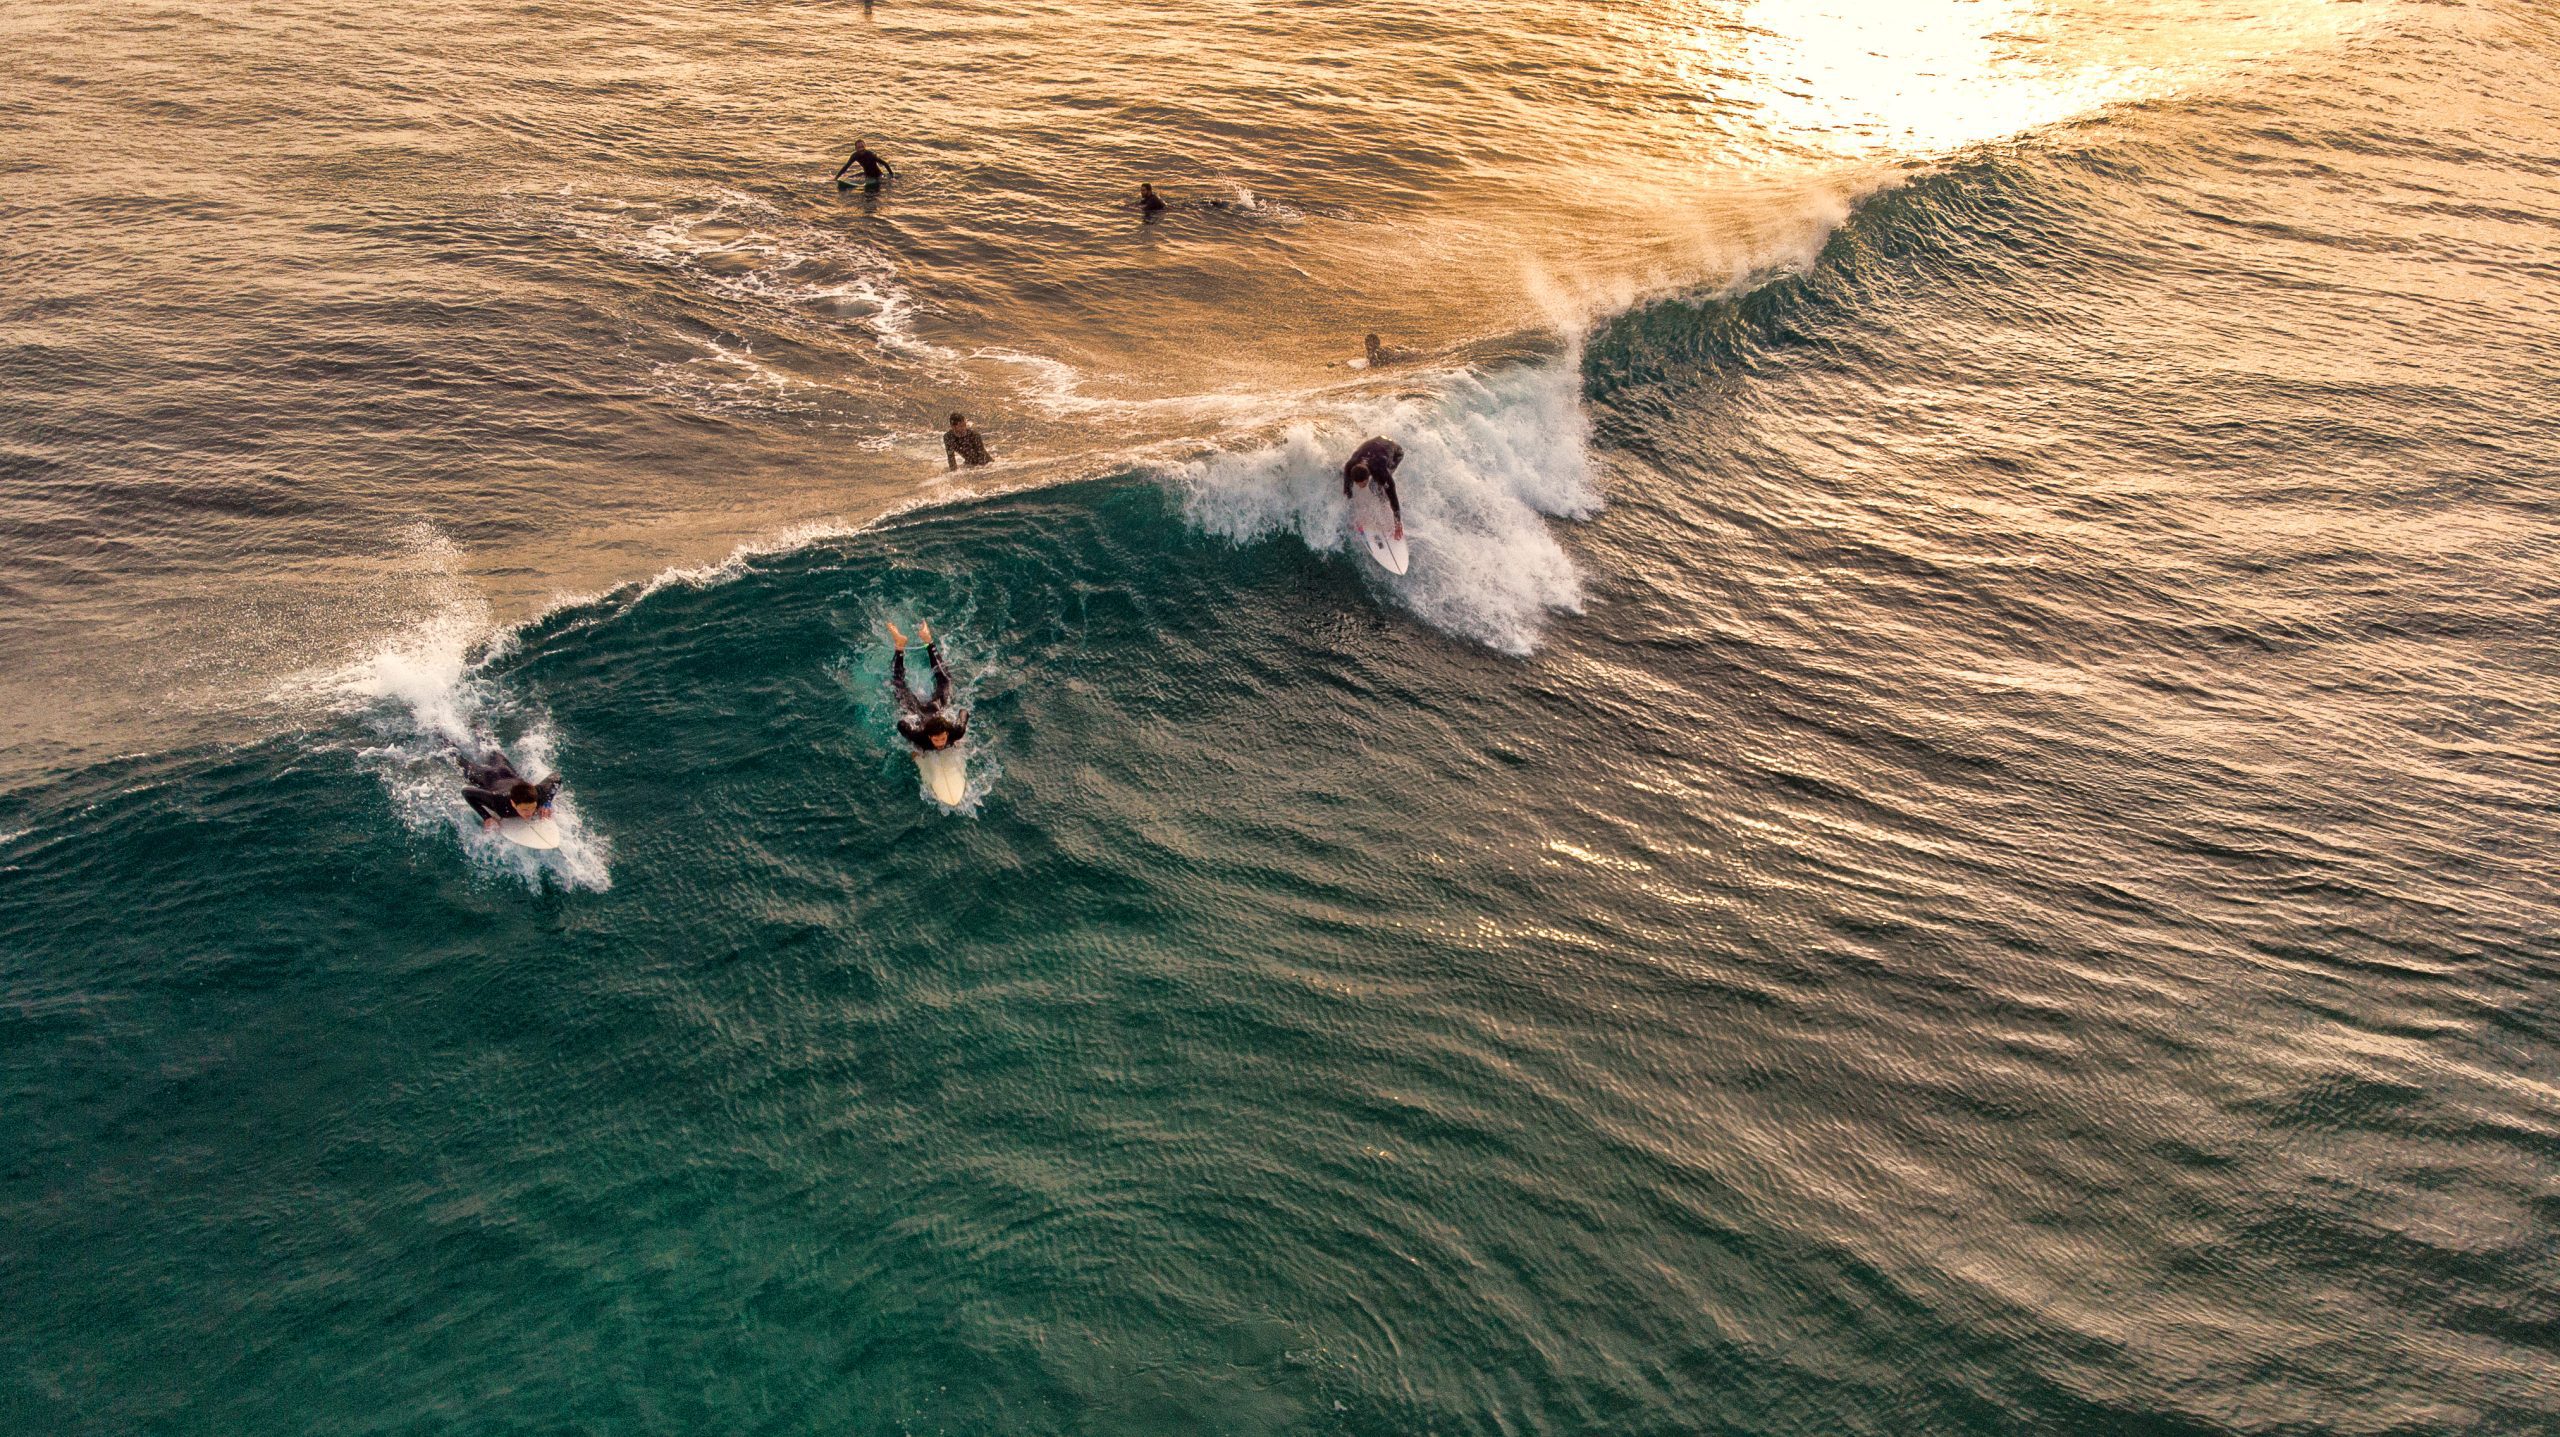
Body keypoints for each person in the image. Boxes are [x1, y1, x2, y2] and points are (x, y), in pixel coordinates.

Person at [884, 621, 967, 751]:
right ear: (929, 737)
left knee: (898, 684)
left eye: (942, 738)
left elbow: (964, 713)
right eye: (936, 740)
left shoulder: (955, 732)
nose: (940, 743)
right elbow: (901, 725)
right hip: (921, 712)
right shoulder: (919, 737)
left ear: (947, 733)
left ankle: (903, 645)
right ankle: (923, 642)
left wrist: (958, 724)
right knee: (945, 681)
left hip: (932, 709)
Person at [457, 748, 560, 831]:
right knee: (458, 760)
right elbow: (466, 792)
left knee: (492, 751)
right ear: (513, 803)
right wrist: (487, 817)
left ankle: (477, 728)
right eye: (524, 809)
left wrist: (547, 802)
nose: (530, 813)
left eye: (532, 807)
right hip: (485, 775)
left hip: (505, 769)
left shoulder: (538, 795)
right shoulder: (498, 800)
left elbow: (556, 777)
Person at [1342, 435, 1405, 539]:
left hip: (1395, 452)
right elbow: (1347, 492)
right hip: (1375, 445)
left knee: (1375, 487)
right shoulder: (1349, 466)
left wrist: (1397, 523)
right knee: (1348, 486)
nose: (1359, 486)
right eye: (1357, 483)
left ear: (1367, 477)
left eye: (1361, 483)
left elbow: (1393, 496)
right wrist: (1355, 517)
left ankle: (1384, 506)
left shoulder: (1380, 472)